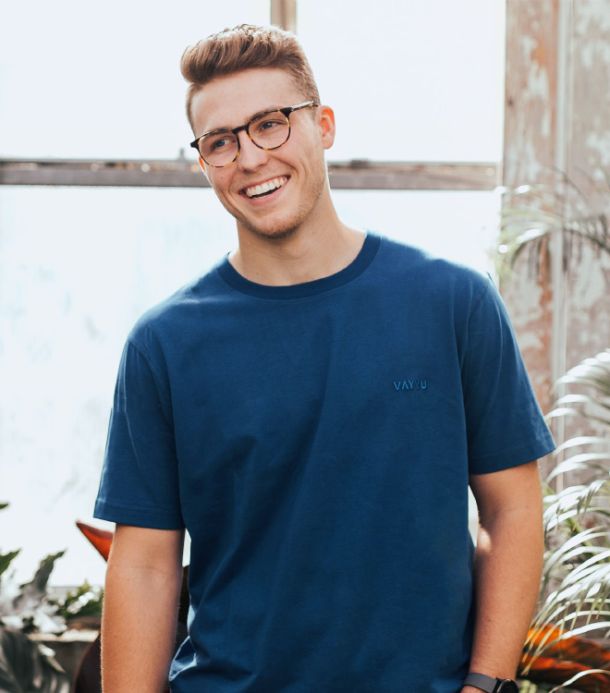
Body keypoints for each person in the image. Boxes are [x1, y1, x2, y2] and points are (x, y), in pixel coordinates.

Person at [93, 23, 555, 693]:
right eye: (221, 141)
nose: (251, 157)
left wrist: (485, 684)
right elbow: (144, 564)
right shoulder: (164, 343)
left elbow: (511, 510)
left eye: (271, 124)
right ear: (203, 162)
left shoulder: (453, 302)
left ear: (324, 125)